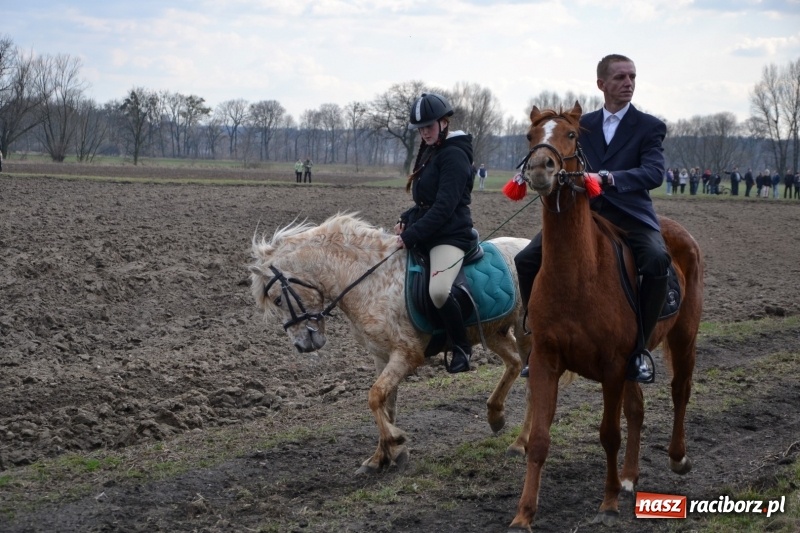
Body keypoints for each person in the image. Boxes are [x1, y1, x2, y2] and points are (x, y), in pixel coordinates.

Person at [515, 53, 669, 384]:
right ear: (602, 84)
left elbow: (655, 172)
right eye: (620, 78)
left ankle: (640, 348)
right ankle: (536, 336)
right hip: (586, 213)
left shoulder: (649, 126)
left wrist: (610, 178)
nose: (628, 83)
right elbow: (560, 154)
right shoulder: (581, 126)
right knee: (526, 259)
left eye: (632, 77)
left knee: (657, 260)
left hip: (630, 215)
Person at [395, 93, 475, 374]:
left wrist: (410, 236)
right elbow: (425, 201)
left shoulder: (454, 154)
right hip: (430, 229)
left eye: (428, 126)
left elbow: (443, 208)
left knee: (439, 291)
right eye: (420, 128)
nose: (424, 132)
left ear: (444, 123)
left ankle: (462, 348)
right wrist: (407, 219)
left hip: (451, 235)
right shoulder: (430, 149)